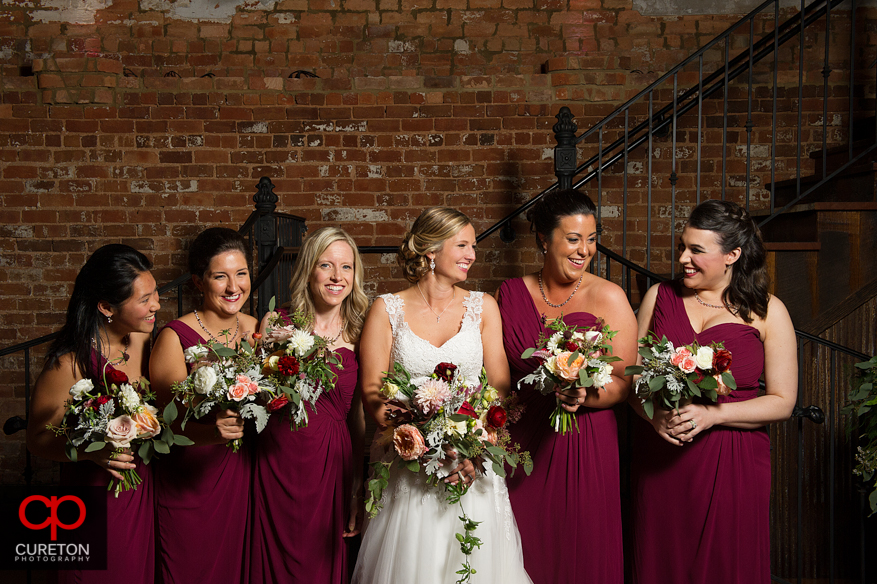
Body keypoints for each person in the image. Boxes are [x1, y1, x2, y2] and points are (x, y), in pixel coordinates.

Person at [352, 207, 532, 584]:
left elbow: (498, 388)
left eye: (474, 246)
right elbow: (373, 393)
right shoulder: (387, 310)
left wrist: (475, 448)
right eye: (463, 245)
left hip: (471, 466)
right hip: (409, 468)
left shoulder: (483, 307)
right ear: (431, 250)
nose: (472, 254)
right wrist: (420, 438)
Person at [628, 199, 797, 583]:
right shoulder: (659, 297)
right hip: (663, 459)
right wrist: (654, 419)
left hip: (733, 462)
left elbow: (784, 402)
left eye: (697, 251)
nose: (684, 258)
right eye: (682, 247)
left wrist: (715, 414)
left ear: (732, 255)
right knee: (661, 562)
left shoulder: (768, 312)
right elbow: (631, 379)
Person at [495, 189, 637, 583]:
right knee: (521, 551)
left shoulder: (609, 296)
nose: (584, 250)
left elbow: (623, 384)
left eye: (591, 239)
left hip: (584, 441)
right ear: (544, 238)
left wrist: (583, 394)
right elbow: (497, 378)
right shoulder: (508, 294)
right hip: (523, 443)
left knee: (582, 552)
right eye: (573, 239)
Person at [27, 244, 161, 584]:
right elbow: (37, 440)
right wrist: (92, 449)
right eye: (144, 300)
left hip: (140, 494)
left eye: (155, 293)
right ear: (106, 307)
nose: (156, 305)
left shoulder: (146, 344)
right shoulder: (69, 364)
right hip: (93, 501)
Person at [249, 227, 367, 584]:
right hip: (275, 458)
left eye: (346, 268)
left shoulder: (363, 332)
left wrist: (358, 482)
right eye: (326, 266)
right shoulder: (274, 323)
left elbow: (359, 416)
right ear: (308, 270)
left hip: (333, 464)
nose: (337, 277)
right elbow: (256, 397)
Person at [149, 227, 259, 584]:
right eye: (220, 276)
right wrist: (210, 433)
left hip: (243, 475)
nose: (233, 287)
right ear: (198, 281)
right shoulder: (174, 337)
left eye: (241, 274)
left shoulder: (257, 329)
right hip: (191, 481)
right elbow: (161, 429)